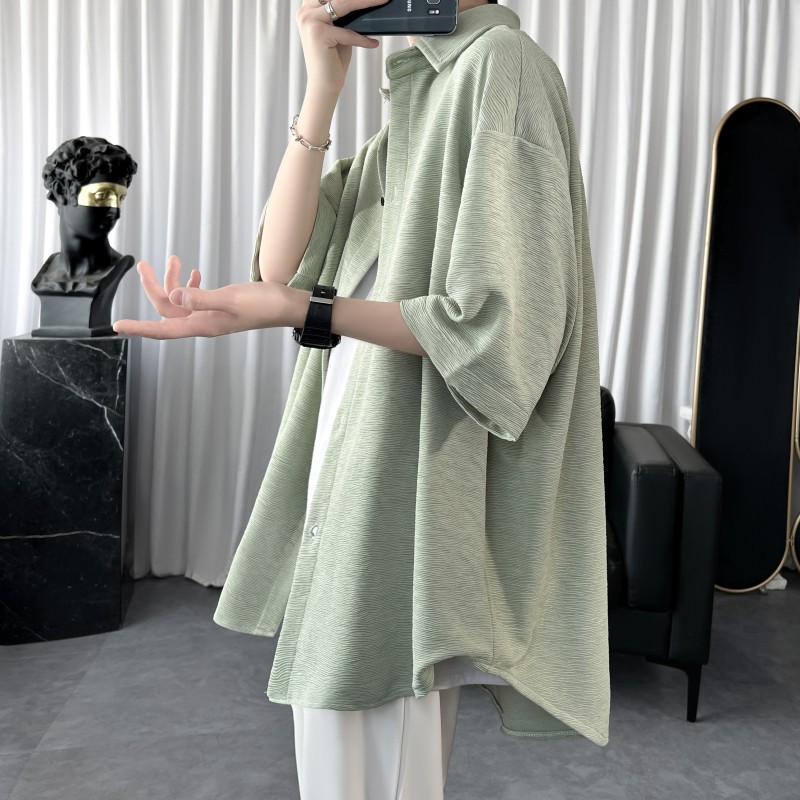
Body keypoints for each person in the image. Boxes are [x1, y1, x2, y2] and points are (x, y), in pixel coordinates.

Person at [114, 1, 610, 797]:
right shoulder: (422, 96)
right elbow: (283, 265)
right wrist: (322, 87)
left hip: (408, 479)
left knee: (373, 763)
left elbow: (501, 332)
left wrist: (301, 310)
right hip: (352, 456)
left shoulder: (500, 68)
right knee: (342, 755)